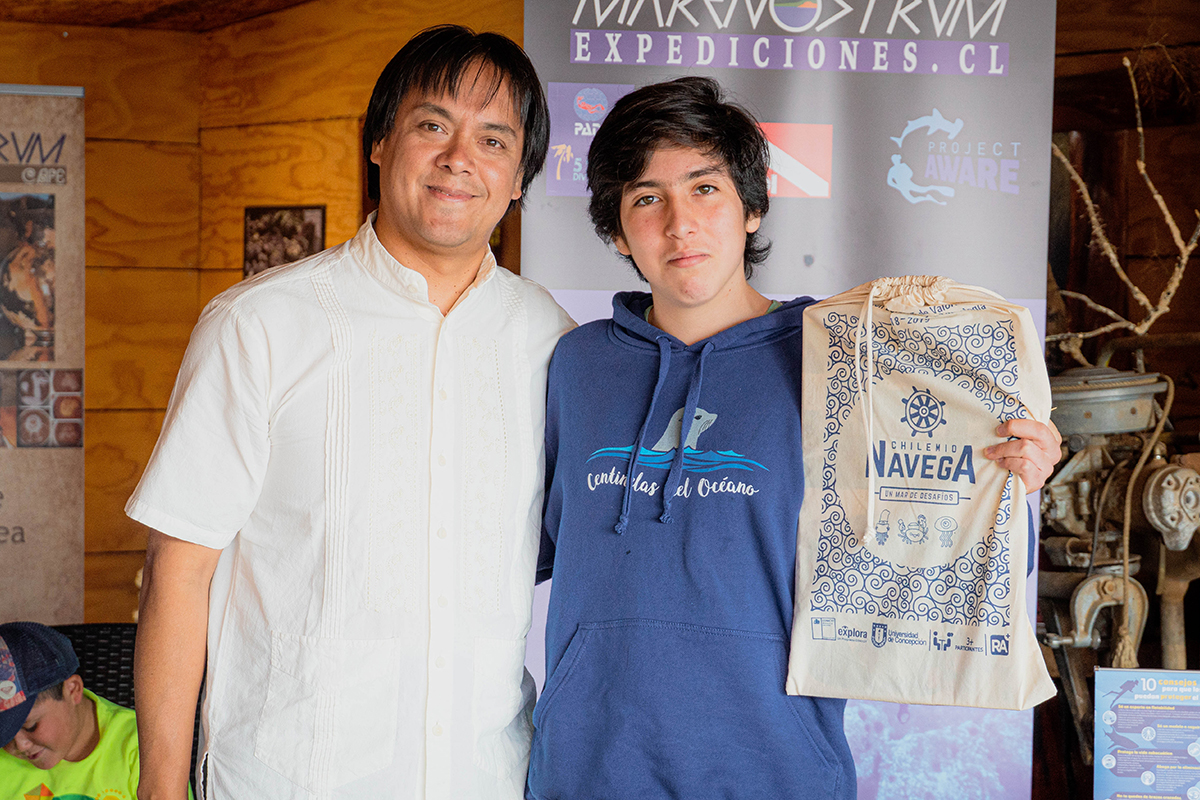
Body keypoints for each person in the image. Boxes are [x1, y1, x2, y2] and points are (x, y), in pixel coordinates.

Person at [527, 77, 1061, 799]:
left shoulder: (846, 360)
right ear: (618, 231)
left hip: (776, 768)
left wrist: (1010, 482)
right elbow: (514, 549)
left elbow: (937, 550)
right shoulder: (576, 365)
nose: (681, 224)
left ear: (751, 208)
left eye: (706, 189)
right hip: (588, 770)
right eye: (647, 198)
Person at [126, 25, 572, 800]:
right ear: (379, 142)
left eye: (494, 140)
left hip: (486, 779)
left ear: (519, 179)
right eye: (432, 125)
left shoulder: (553, 342)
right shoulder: (260, 325)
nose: (459, 158)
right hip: (288, 779)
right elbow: (178, 571)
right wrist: (161, 790)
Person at [0, 622, 181, 799]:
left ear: (72, 690)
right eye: (5, 732)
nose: (20, 745)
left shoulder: (142, 747)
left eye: (31, 726)